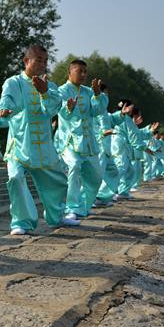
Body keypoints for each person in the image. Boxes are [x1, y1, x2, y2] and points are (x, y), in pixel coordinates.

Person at [0, 44, 79, 236]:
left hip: (43, 146)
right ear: (26, 61)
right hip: (19, 144)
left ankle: (56, 216)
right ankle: (21, 222)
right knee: (15, 178)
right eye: (38, 60)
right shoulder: (13, 83)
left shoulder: (50, 87)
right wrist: (5, 109)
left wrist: (44, 92)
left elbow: (52, 109)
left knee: (58, 182)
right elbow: (6, 101)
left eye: (45, 60)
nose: (43, 64)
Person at [56, 59, 106, 220]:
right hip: (70, 140)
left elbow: (98, 111)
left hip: (88, 141)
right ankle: (72, 207)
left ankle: (83, 206)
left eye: (85, 72)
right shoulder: (61, 91)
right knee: (75, 167)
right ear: (70, 72)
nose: (83, 75)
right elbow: (60, 111)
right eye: (80, 71)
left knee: (96, 176)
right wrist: (68, 108)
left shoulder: (88, 92)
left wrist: (98, 95)